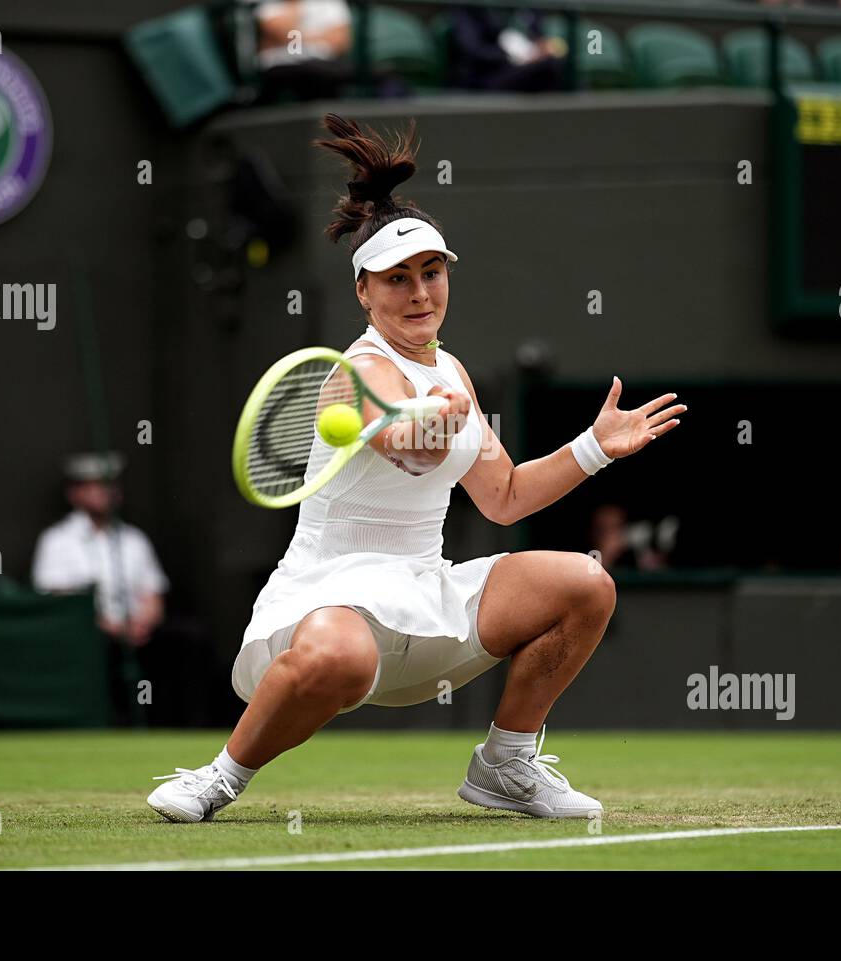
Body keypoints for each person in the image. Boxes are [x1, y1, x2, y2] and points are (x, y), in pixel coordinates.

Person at [147, 113, 686, 822]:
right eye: (397, 279)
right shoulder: (353, 371)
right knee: (339, 658)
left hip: (427, 600)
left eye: (430, 273)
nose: (420, 293)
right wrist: (422, 423)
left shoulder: (452, 367)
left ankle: (507, 763)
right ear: (365, 292)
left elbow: (505, 496)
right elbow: (405, 441)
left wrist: (592, 446)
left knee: (587, 583)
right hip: (332, 603)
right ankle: (217, 776)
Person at [31, 452, 169, 725]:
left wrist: (142, 622)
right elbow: (59, 601)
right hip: (88, 642)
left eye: (111, 483)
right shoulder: (56, 541)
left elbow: (153, 593)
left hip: (140, 639)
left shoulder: (134, 539)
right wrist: (115, 628)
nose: (107, 491)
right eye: (96, 484)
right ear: (75, 493)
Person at [252, 0, 354, 105]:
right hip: (281, 66)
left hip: (323, 66)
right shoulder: (269, 5)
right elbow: (284, 33)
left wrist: (300, 36)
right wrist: (296, 6)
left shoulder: (331, 3)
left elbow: (340, 42)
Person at [445, 6, 566, 92]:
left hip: (522, 68)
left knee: (553, 65)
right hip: (485, 75)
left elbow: (536, 35)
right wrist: (515, 58)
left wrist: (541, 49)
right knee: (548, 67)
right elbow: (472, 49)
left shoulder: (528, 8)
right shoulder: (472, 7)